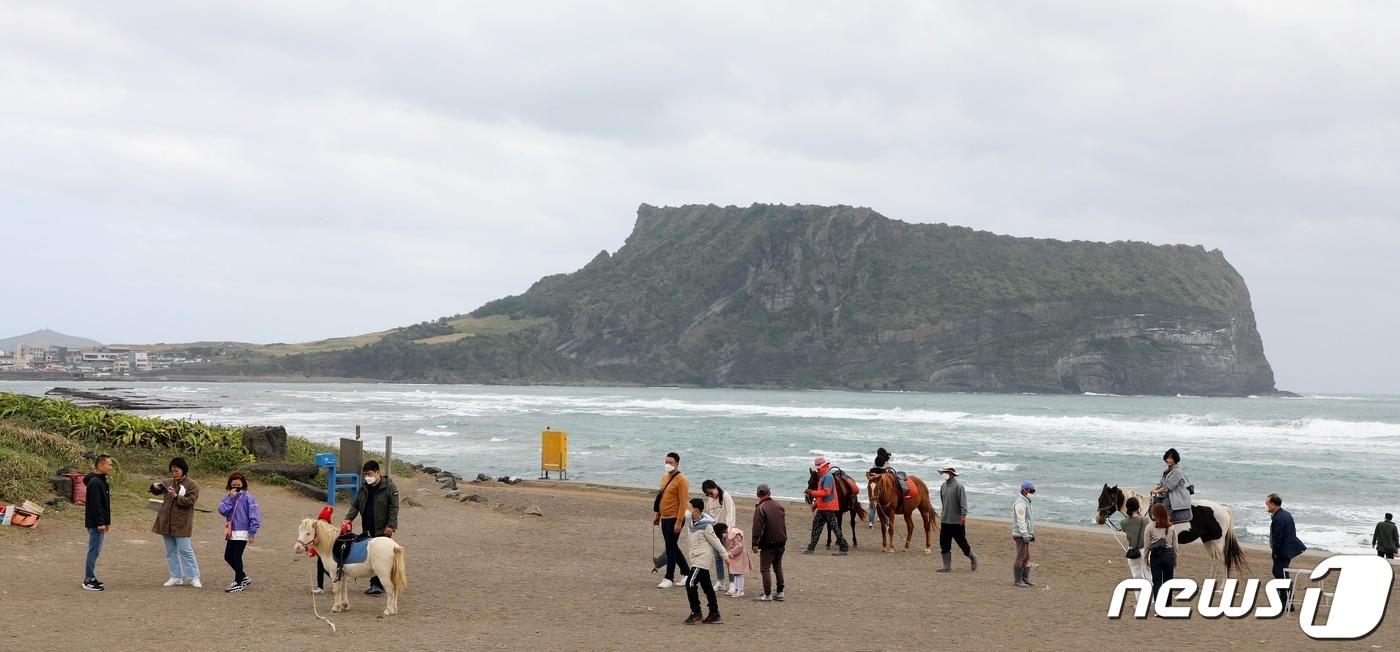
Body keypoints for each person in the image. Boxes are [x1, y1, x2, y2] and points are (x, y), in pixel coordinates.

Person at [343, 460, 399, 595]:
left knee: (380, 555)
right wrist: (348, 518)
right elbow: (356, 505)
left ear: (377, 472)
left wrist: (390, 525)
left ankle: (378, 584)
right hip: (367, 526)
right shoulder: (364, 487)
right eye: (365, 474)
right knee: (370, 555)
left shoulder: (389, 487)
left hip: (382, 528)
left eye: (369, 474)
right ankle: (375, 583)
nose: (367, 477)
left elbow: (394, 507)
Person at [151, 456, 201, 588]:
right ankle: (175, 576)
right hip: (166, 521)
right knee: (170, 551)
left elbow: (191, 501)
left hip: (182, 522)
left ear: (183, 470)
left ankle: (194, 577)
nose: (174, 473)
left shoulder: (192, 485)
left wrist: (176, 496)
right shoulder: (168, 482)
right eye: (172, 471)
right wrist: (155, 486)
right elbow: (155, 491)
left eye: (176, 471)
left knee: (185, 550)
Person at [682, 498, 726, 624]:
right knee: (707, 587)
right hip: (695, 558)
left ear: (695, 510)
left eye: (690, 507)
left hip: (702, 559)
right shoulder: (690, 519)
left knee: (690, 583)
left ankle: (696, 613)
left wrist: (726, 557)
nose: (688, 509)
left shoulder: (706, 526)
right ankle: (714, 613)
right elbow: (683, 509)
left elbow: (716, 543)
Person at [217, 472, 261, 593]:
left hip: (243, 532)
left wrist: (252, 533)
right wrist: (231, 498)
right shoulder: (229, 497)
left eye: (238, 484)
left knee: (236, 556)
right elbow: (222, 510)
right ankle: (243, 576)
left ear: (243, 484)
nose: (236, 486)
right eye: (233, 484)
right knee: (228, 556)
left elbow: (254, 516)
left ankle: (239, 582)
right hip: (231, 531)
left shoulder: (249, 497)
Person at [652, 452, 691, 588]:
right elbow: (661, 498)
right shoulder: (664, 477)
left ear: (677, 463)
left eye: (671, 462)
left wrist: (679, 521)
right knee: (672, 546)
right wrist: (658, 516)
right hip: (665, 517)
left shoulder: (682, 480)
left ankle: (669, 577)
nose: (668, 464)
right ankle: (687, 573)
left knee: (670, 547)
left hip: (675, 518)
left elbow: (683, 502)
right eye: (666, 462)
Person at [1267, 494, 1307, 607]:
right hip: (1288, 549)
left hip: (1283, 551)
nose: (1267, 507)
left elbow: (1278, 538)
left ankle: (1286, 603)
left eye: (1268, 504)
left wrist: (1275, 552)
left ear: (1274, 504)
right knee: (1282, 574)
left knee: (1280, 574)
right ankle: (1287, 601)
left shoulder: (1279, 518)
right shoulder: (1286, 514)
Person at [803, 457, 849, 555]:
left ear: (821, 467)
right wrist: (816, 504)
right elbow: (823, 494)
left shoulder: (827, 477)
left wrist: (811, 492)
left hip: (828, 507)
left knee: (833, 527)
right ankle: (811, 547)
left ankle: (844, 547)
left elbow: (826, 492)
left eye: (818, 468)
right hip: (824, 507)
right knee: (817, 526)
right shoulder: (824, 476)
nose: (817, 470)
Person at [936, 467, 978, 572]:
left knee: (962, 543)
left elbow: (963, 503)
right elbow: (943, 502)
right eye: (943, 472)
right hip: (945, 520)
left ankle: (973, 557)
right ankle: (947, 566)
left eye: (945, 472)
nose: (944, 474)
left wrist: (963, 516)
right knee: (944, 543)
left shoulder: (959, 486)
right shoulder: (943, 486)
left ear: (951, 474)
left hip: (956, 521)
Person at [82, 454, 113, 591]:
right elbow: (96, 505)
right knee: (93, 551)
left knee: (95, 550)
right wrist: (100, 522)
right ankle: (88, 580)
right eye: (109, 464)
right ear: (100, 466)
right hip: (95, 523)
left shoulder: (101, 481)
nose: (111, 467)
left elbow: (104, 504)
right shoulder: (95, 482)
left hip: (99, 522)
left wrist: (106, 521)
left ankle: (91, 577)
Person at [751, 484, 787, 602]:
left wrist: (755, 544)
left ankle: (767, 594)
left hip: (769, 543)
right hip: (781, 541)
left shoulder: (760, 508)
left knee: (765, 568)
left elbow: (758, 528)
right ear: (769, 493)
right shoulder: (779, 506)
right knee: (777, 566)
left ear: (758, 495)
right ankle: (780, 592)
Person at [702, 479, 736, 591]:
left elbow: (730, 515)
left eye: (710, 493)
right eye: (707, 494)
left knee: (728, 557)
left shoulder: (725, 497)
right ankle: (720, 582)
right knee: (718, 558)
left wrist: (728, 532)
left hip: (725, 533)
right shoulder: (710, 501)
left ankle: (732, 583)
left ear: (714, 487)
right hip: (714, 533)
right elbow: (708, 517)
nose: (710, 495)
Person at [1145, 502, 1180, 605]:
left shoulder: (1149, 527)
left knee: (1157, 582)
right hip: (1169, 555)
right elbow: (1176, 548)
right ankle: (1168, 605)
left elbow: (1147, 547)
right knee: (1168, 582)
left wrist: (1145, 559)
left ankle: (1159, 605)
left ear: (1154, 514)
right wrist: (1175, 559)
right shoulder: (1171, 527)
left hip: (1155, 556)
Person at [1151, 448, 1193, 528]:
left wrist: (1156, 492)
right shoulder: (1168, 471)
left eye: (1171, 458)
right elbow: (1162, 483)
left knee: (1163, 509)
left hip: (1175, 495)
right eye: (1167, 458)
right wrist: (1156, 488)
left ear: (1175, 459)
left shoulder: (1177, 471)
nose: (1168, 460)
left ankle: (1165, 526)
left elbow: (1168, 486)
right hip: (1167, 493)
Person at [1011, 481, 1036, 587]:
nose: (1032, 492)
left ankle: (1025, 578)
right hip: (1020, 534)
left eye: (1033, 491)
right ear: (1025, 490)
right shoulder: (1020, 503)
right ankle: (1018, 580)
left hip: (1025, 534)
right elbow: (1021, 520)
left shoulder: (1026, 501)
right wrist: (1025, 534)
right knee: (1021, 556)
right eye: (1031, 490)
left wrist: (1031, 534)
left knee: (1026, 556)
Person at [1120, 497, 1149, 581]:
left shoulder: (1123, 523)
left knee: (1137, 577)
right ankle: (1151, 594)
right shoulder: (1145, 520)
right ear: (1138, 507)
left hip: (1132, 550)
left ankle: (1139, 594)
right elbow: (1140, 519)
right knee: (1149, 576)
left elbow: (1126, 527)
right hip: (1145, 550)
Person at [722, 522, 752, 598]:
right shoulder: (731, 532)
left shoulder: (734, 533)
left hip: (739, 556)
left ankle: (740, 590)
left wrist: (731, 553)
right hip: (736, 556)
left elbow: (739, 546)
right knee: (735, 572)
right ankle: (736, 589)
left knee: (738, 573)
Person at [312, 505, 334, 594]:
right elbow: (315, 544)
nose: (322, 523)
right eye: (320, 521)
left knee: (327, 570)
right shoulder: (316, 531)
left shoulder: (330, 532)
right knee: (320, 570)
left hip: (328, 555)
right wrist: (312, 551)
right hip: (320, 555)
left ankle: (336, 581)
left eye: (324, 521)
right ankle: (320, 587)